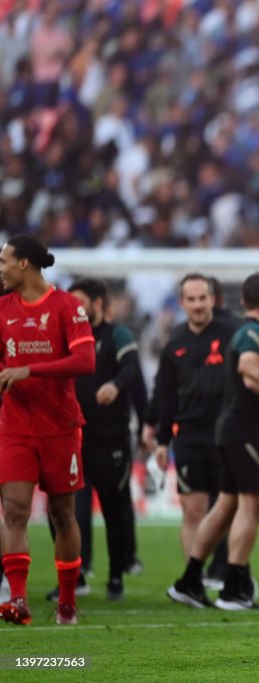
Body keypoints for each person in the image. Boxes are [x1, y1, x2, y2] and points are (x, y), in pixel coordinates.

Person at [167, 273, 259, 610]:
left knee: (225, 507)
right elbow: (250, 372)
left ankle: (190, 580)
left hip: (230, 428)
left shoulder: (244, 331)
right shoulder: (252, 333)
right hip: (247, 430)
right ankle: (234, 587)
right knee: (252, 506)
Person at [0, 235, 96, 626]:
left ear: (24, 264)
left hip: (60, 427)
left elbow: (85, 360)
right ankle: (18, 601)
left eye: (4, 260)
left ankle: (68, 603)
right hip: (15, 427)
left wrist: (29, 369)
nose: (0, 267)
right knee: (15, 510)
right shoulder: (2, 309)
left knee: (62, 513)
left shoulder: (67, 307)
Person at [60, 278, 143, 602]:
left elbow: (132, 369)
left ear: (97, 304)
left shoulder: (116, 335)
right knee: (71, 512)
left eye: (79, 301)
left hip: (111, 438)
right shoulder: (68, 337)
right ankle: (75, 574)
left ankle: (115, 576)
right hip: (73, 437)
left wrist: (116, 386)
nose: (73, 307)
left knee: (113, 509)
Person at [151, 274, 238, 565]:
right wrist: (162, 441)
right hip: (188, 436)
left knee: (227, 508)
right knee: (192, 511)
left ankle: (226, 570)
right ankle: (193, 579)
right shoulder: (174, 342)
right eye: (192, 299)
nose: (198, 305)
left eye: (203, 298)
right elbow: (165, 395)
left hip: (226, 435)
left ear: (213, 299)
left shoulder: (232, 333)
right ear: (182, 303)